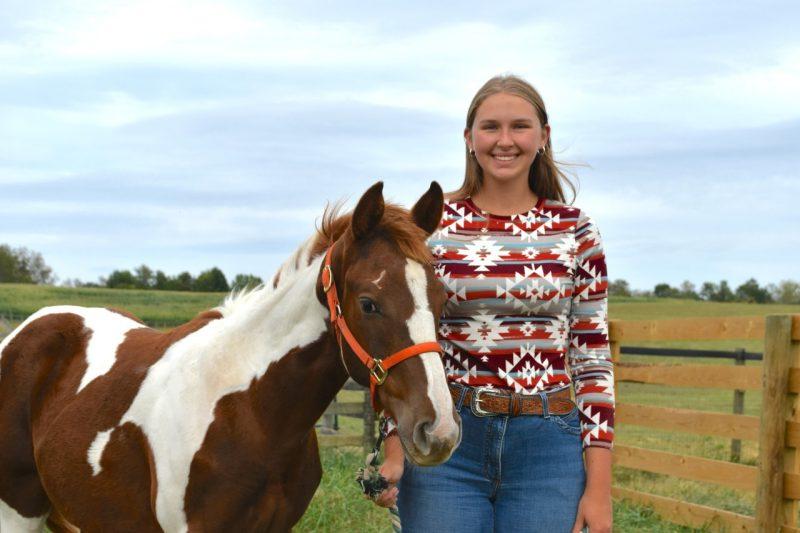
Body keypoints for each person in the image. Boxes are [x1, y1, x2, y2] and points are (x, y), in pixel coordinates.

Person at [372, 74, 614, 533]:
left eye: (520, 127)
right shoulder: (429, 226)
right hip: (448, 440)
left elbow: (593, 360)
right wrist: (395, 448)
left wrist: (598, 490)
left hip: (549, 445)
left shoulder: (576, 230)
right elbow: (402, 342)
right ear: (469, 138)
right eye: (490, 127)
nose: (505, 141)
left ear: (543, 137)